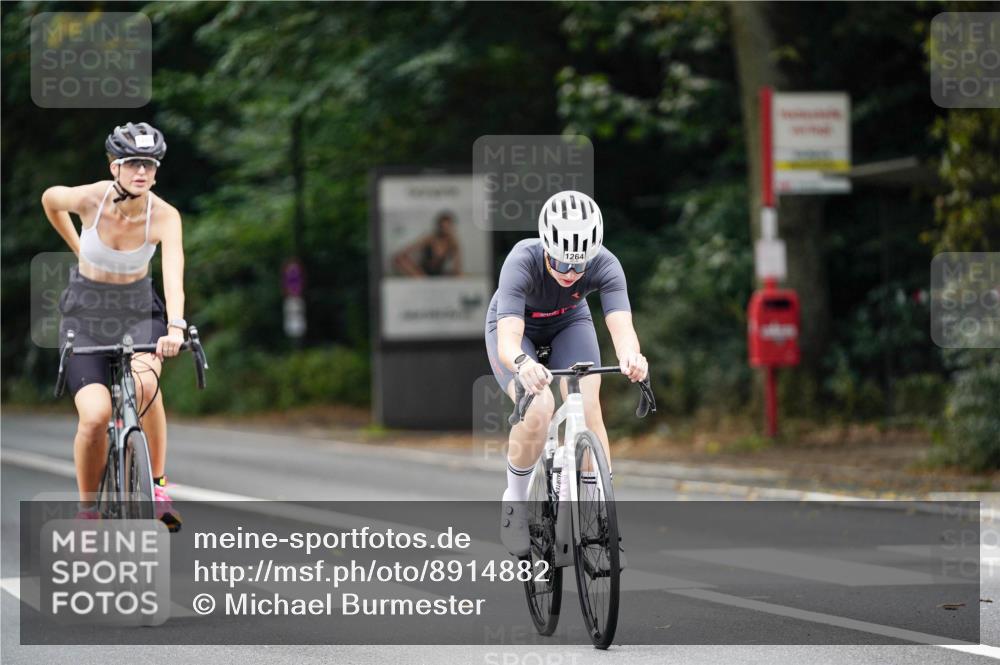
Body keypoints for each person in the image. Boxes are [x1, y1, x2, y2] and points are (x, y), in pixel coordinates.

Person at [485, 190, 648, 558]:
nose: (570, 274)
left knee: (589, 403)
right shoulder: (521, 261)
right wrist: (524, 365)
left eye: (579, 267)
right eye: (561, 264)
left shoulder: (606, 264)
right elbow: (508, 341)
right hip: (517, 330)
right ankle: (515, 499)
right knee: (539, 406)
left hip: (569, 323)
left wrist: (632, 357)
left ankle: (599, 507)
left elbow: (622, 328)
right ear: (546, 248)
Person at [41, 122, 187, 531]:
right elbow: (51, 200)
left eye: (151, 165)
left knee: (145, 384)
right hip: (85, 315)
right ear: (114, 167)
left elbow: (174, 275)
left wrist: (175, 327)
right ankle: (88, 511)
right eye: (133, 163)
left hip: (140, 312)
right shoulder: (89, 199)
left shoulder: (165, 216)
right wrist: (75, 244)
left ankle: (156, 485)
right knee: (94, 416)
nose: (143, 172)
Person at [391, 211, 463, 277]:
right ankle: (422, 279)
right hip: (422, 273)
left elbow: (457, 268)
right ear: (439, 226)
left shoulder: (453, 243)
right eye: (443, 227)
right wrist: (415, 271)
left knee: (461, 276)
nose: (445, 229)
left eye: (448, 227)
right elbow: (403, 253)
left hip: (439, 274)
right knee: (399, 259)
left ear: (452, 227)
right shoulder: (430, 238)